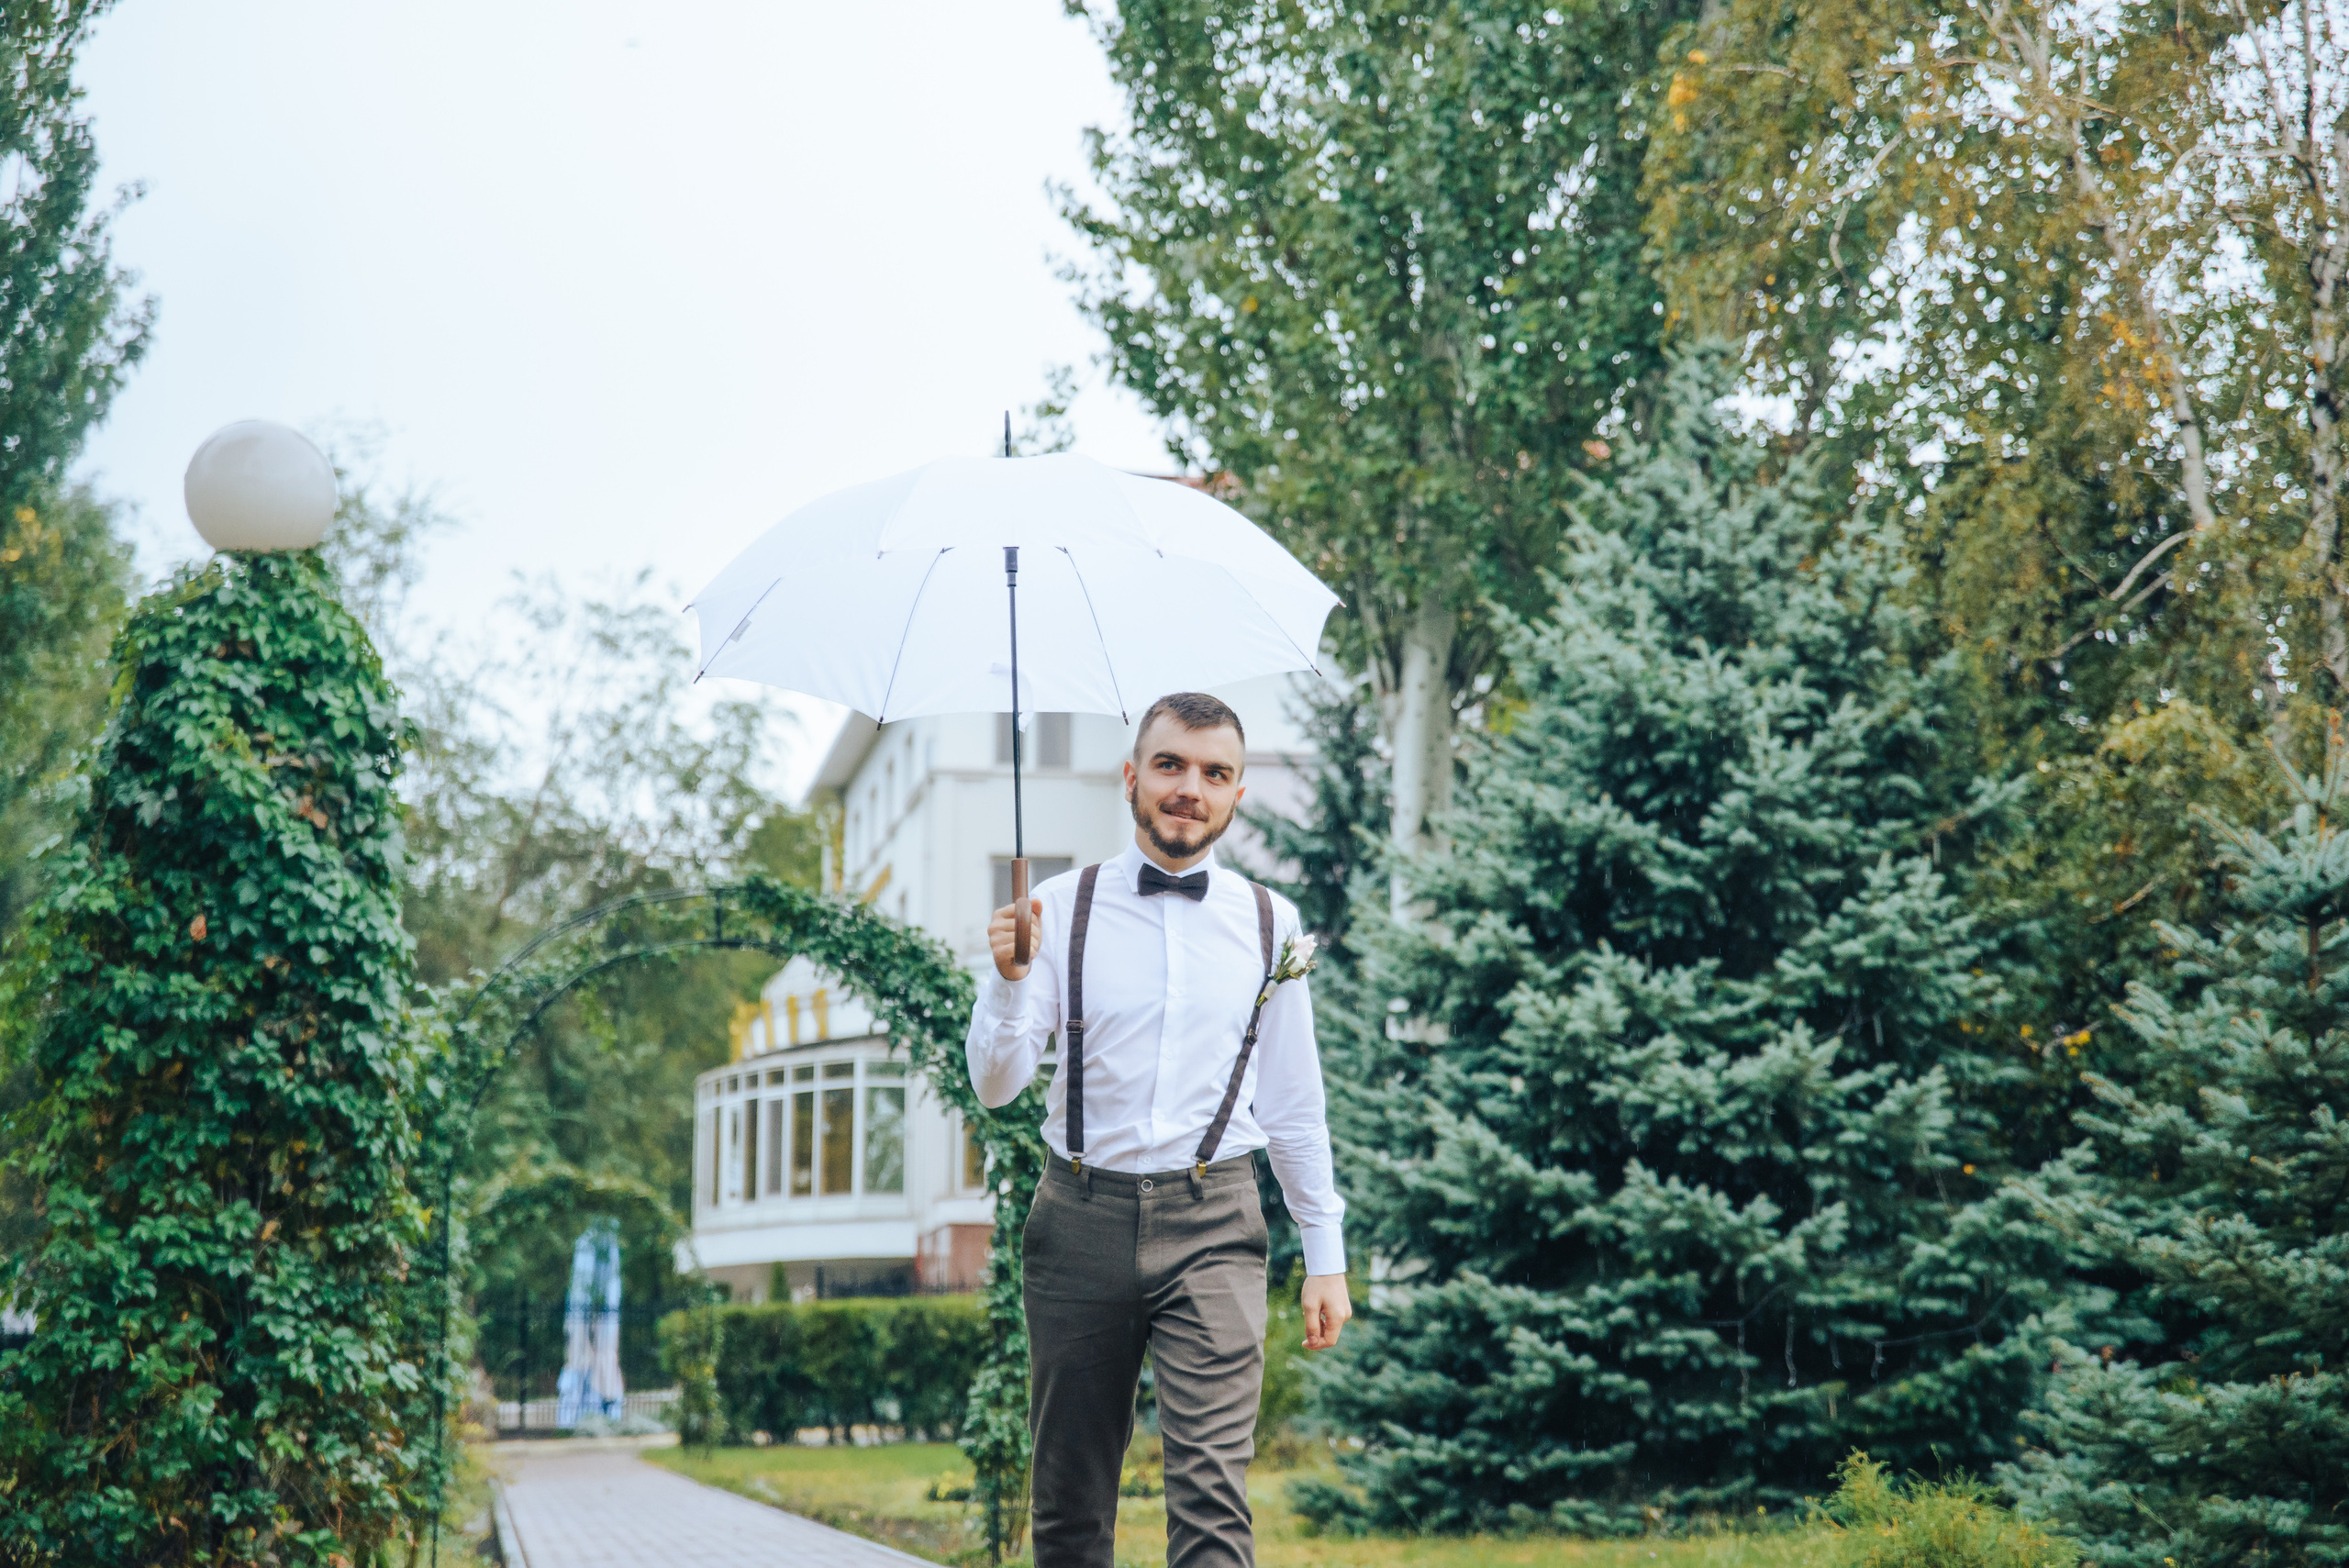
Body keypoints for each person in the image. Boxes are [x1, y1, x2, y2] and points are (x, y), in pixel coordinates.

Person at [966, 690, 1351, 1568]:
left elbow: (1293, 1101)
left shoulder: (1271, 923)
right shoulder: (1056, 908)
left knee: (1213, 1496)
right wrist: (1010, 983)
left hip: (1216, 1223)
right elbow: (995, 1085)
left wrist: (1324, 1252)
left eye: (1215, 773)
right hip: (1079, 1219)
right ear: (1131, 776)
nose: (1190, 788)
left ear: (1238, 793)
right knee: (1069, 1503)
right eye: (1171, 765)